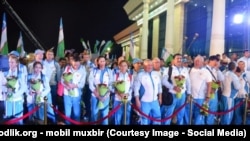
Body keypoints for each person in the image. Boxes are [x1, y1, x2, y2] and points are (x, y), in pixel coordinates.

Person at [161, 53, 191, 125]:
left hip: (182, 95)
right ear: (173, 60)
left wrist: (189, 94)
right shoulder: (168, 69)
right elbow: (163, 81)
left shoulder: (185, 69)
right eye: (177, 58)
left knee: (181, 113)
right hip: (172, 94)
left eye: (180, 58)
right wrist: (173, 87)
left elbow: (188, 82)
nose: (179, 60)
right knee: (169, 114)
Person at [134, 59, 162, 125]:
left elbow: (159, 87)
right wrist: (137, 100)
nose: (150, 66)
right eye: (148, 65)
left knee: (157, 118)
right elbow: (136, 89)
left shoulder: (156, 74)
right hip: (144, 101)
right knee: (144, 119)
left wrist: (160, 98)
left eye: (151, 65)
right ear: (144, 66)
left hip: (155, 101)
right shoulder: (140, 75)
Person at [61, 55, 86, 125]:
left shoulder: (82, 71)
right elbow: (62, 79)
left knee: (76, 113)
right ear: (71, 62)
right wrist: (66, 84)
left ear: (79, 62)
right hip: (67, 94)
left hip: (76, 94)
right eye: (74, 62)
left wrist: (74, 86)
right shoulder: (67, 68)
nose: (76, 64)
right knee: (67, 113)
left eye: (77, 63)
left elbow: (82, 84)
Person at [88, 56, 113, 125]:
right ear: (98, 62)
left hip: (105, 96)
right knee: (94, 113)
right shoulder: (93, 71)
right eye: (101, 61)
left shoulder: (109, 71)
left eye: (103, 61)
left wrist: (106, 95)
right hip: (95, 95)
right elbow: (91, 84)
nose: (102, 63)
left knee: (104, 115)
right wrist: (97, 95)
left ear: (105, 62)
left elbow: (111, 84)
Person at [4, 55, 26, 125]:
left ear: (17, 63)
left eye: (12, 62)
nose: (10, 64)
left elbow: (24, 87)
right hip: (8, 100)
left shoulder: (20, 74)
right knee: (9, 120)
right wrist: (7, 92)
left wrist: (15, 95)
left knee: (18, 120)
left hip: (17, 100)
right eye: (9, 62)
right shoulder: (5, 73)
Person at [113, 60, 133, 125]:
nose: (123, 67)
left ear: (127, 67)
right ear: (119, 67)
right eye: (121, 66)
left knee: (127, 115)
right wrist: (119, 93)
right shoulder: (116, 76)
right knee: (118, 116)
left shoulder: (130, 76)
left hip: (127, 99)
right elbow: (112, 87)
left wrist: (128, 93)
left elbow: (132, 87)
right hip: (118, 99)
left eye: (125, 66)